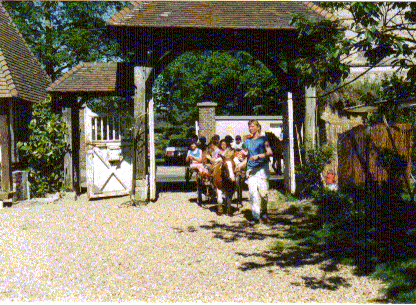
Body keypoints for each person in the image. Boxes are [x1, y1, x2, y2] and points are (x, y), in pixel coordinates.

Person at [236, 119, 273, 225]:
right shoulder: (247, 142)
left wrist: (258, 156)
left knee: (263, 194)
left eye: (252, 126)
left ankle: (264, 211)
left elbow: (269, 153)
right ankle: (255, 216)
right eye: (249, 126)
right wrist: (239, 165)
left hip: (262, 169)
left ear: (257, 127)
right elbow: (248, 159)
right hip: (251, 170)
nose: (250, 128)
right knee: (253, 193)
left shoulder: (263, 140)